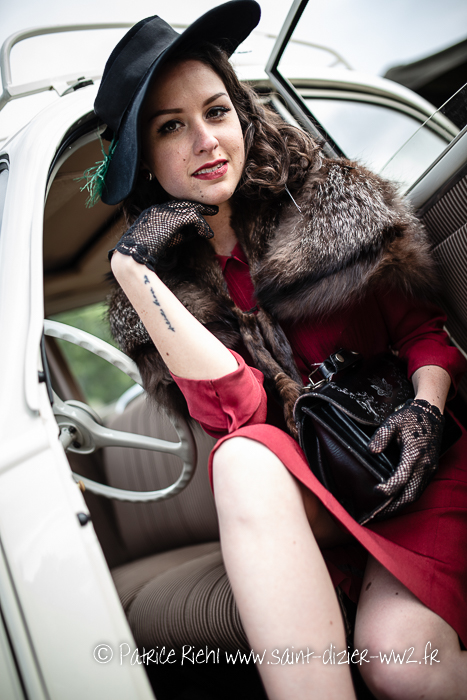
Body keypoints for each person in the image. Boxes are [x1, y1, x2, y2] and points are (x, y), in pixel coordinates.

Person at [87, 2, 467, 698]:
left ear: (241, 113)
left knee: (402, 664)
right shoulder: (163, 291)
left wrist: (425, 411)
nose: (206, 140)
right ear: (145, 161)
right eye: (172, 126)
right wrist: (136, 274)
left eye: (216, 111)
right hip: (322, 497)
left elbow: (424, 332)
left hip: (411, 462)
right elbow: (240, 415)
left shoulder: (328, 200)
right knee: (240, 454)